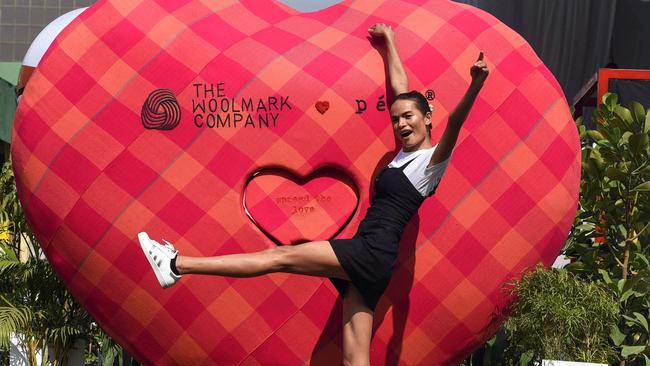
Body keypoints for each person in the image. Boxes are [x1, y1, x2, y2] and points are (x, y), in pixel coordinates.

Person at [138, 23, 489, 366]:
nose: (401, 124)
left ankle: (176, 264)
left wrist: (475, 85)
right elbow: (400, 88)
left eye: (409, 118)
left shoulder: (430, 164)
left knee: (279, 258)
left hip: (370, 251)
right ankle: (175, 265)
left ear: (429, 118)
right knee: (355, 360)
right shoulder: (403, 154)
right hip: (375, 261)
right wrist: (391, 43)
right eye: (396, 120)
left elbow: (455, 124)